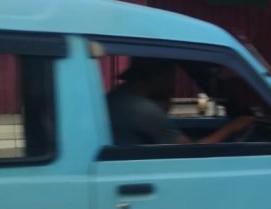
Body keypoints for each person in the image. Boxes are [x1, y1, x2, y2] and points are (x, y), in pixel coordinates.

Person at [107, 58, 253, 146]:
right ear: (156, 77)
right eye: (170, 75)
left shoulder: (120, 96)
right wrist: (231, 128)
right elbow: (189, 152)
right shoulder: (143, 110)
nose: (174, 81)